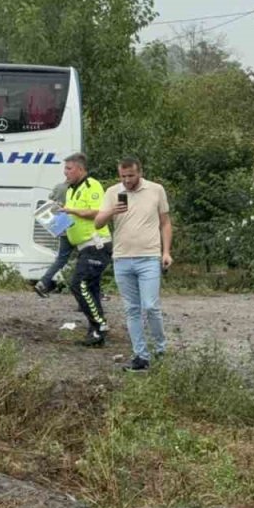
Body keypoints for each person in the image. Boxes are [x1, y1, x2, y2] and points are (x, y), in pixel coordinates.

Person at [95, 157, 173, 373]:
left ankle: (160, 349)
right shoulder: (112, 192)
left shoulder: (156, 190)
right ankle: (141, 356)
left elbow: (165, 222)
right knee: (132, 309)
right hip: (122, 257)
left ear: (140, 173)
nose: (127, 180)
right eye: (123, 176)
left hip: (148, 256)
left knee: (151, 306)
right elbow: (98, 222)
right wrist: (112, 211)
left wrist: (166, 252)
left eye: (131, 175)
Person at [56, 153, 113, 347]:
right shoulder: (71, 190)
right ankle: (96, 332)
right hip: (83, 246)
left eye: (69, 168)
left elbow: (97, 212)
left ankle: (100, 326)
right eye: (65, 168)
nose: (66, 172)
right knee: (92, 289)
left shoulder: (92, 185)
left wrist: (71, 211)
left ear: (80, 169)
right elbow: (74, 218)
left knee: (79, 284)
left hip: (96, 245)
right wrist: (58, 218)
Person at [34, 180, 75, 297]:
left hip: (63, 226)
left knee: (61, 259)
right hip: (78, 228)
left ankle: (42, 283)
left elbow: (51, 197)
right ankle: (90, 291)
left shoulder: (59, 187)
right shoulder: (78, 189)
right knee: (86, 260)